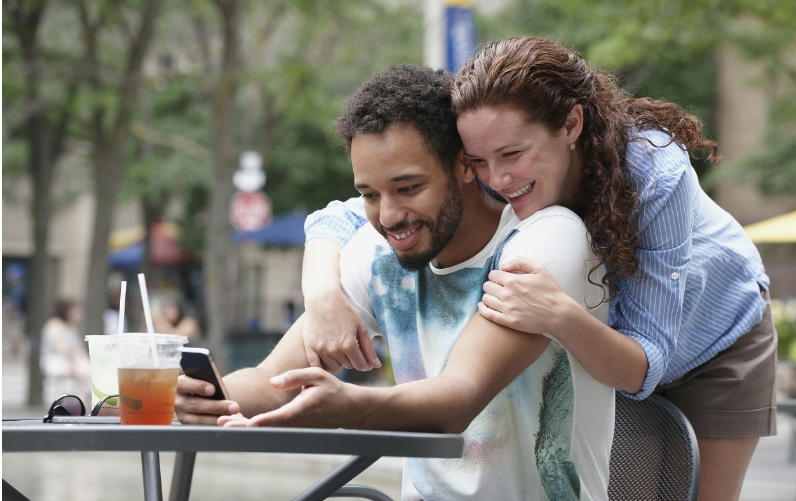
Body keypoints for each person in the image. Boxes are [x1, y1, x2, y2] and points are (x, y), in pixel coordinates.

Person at [301, 36, 777, 501]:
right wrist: (322, 296)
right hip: (610, 349)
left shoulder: (653, 172)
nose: (499, 179)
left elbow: (642, 367)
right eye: (479, 161)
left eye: (512, 154)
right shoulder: (492, 159)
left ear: (571, 124)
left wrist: (560, 316)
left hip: (716, 342)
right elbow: (342, 215)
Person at [176, 64, 614, 500]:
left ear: (465, 165)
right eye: (369, 195)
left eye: (408, 188)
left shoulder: (547, 238)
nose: (387, 216)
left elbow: (458, 398)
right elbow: (274, 380)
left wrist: (349, 406)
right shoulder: (377, 253)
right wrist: (213, 395)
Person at [40, 298, 91, 404]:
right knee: (80, 372)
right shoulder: (54, 325)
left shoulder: (71, 327)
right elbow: (61, 349)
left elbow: (78, 349)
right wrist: (75, 365)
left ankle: (83, 403)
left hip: (71, 359)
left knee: (88, 371)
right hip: (56, 360)